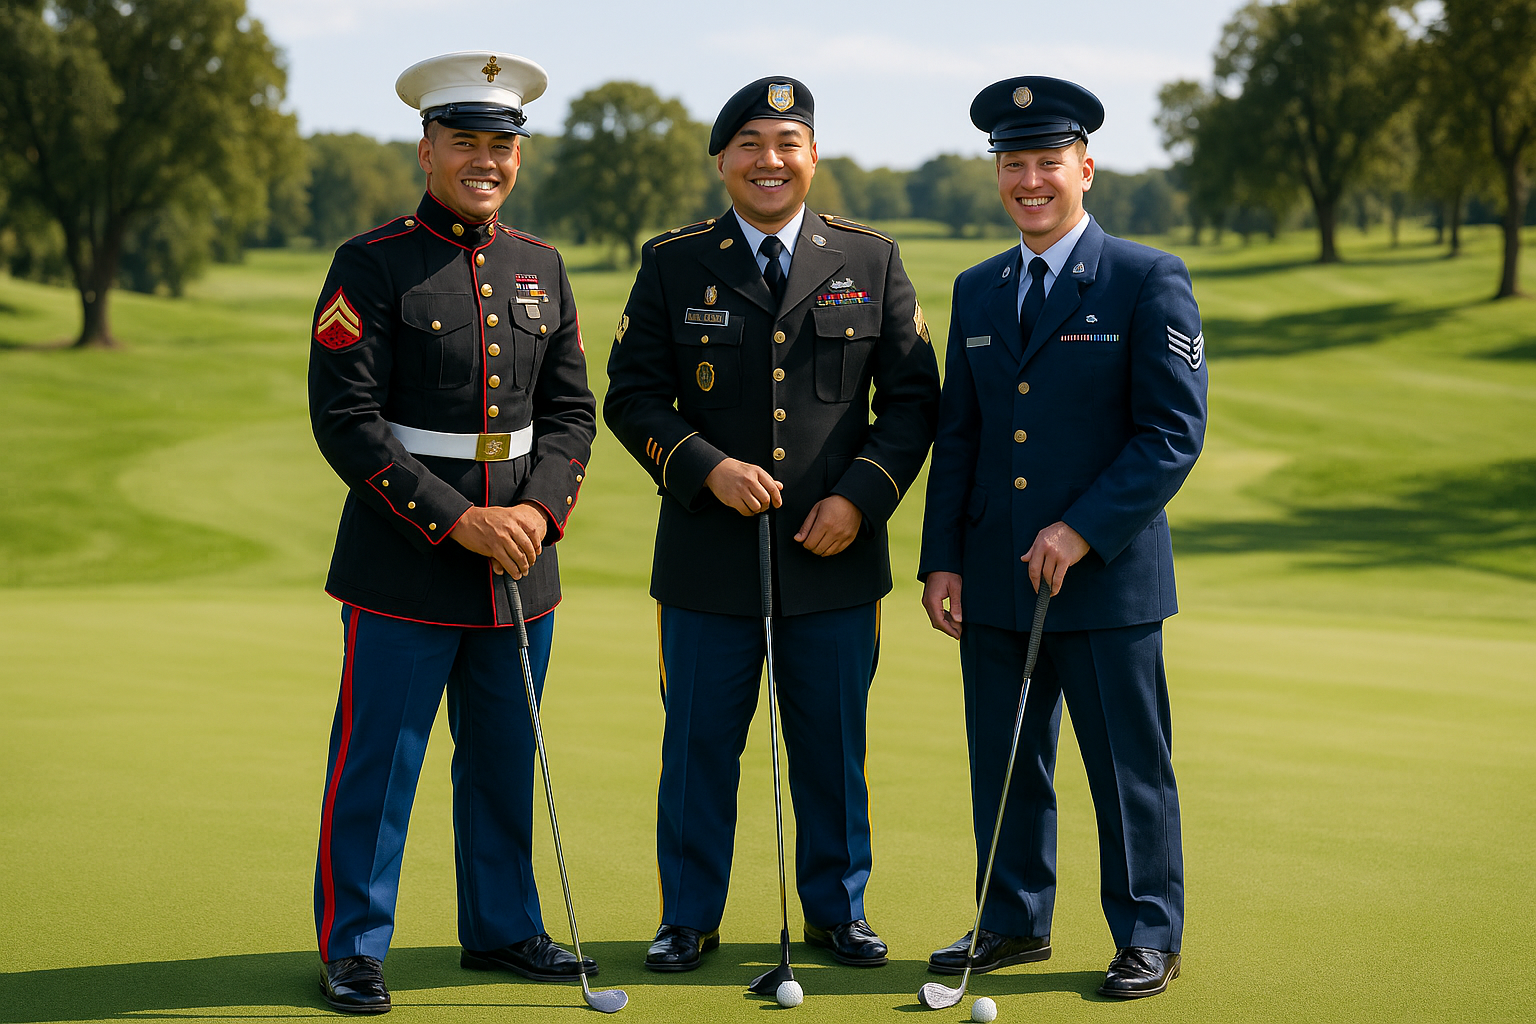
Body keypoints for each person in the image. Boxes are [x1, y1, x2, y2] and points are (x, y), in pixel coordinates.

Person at [604, 76, 940, 974]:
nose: (769, 162)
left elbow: (911, 405)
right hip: (707, 561)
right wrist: (704, 466)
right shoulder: (673, 261)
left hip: (834, 561)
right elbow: (630, 397)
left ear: (813, 157)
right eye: (749, 144)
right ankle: (688, 918)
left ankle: (839, 911)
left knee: (832, 746)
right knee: (698, 748)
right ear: (722, 161)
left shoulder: (871, 260)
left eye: (787, 143)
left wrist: (860, 498)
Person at [306, 51, 597, 1014]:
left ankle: (506, 931)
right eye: (464, 141)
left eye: (500, 144)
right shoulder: (370, 262)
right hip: (406, 562)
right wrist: (457, 519)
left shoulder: (542, 267)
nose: (485, 160)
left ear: (519, 155)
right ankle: (354, 947)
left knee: (505, 761)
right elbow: (347, 421)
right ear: (426, 147)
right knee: (379, 768)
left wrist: (534, 512)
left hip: (520, 562)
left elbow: (571, 416)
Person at [917, 76, 1207, 1000]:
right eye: (1013, 164)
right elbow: (958, 433)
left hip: (1108, 583)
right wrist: (941, 560)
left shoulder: (1144, 277)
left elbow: (1173, 433)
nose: (1030, 180)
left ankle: (1147, 934)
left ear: (1086, 167)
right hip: (997, 581)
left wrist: (1082, 529)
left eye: (1048, 161)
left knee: (1127, 773)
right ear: (996, 175)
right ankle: (1011, 921)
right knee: (1003, 763)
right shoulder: (978, 287)